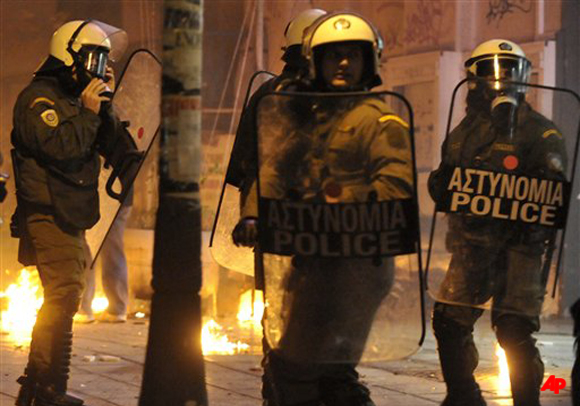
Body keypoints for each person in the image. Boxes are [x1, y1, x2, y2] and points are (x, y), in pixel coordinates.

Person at [235, 12, 414, 406]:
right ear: (316, 63)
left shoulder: (381, 121)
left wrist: (331, 205)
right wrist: (253, 215)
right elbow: (274, 172)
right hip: (312, 260)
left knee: (317, 366)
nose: (344, 64)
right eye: (334, 57)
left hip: (358, 264)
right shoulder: (309, 121)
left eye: (353, 56)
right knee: (300, 366)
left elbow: (394, 188)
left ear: (371, 63)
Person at [428, 39, 568, 406]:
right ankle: (463, 396)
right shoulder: (465, 132)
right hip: (472, 246)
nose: (501, 79)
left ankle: (526, 401)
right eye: (493, 70)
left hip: (520, 249)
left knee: (514, 330)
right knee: (449, 321)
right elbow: (446, 181)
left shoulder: (541, 132)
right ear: (474, 78)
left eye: (509, 69)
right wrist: (442, 184)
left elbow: (552, 196)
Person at [10, 19, 136, 406]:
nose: (99, 68)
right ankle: (49, 387)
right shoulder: (38, 99)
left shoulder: (78, 101)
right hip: (47, 212)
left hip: (72, 212)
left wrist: (105, 107)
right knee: (62, 297)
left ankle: (39, 384)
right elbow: (60, 147)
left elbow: (115, 146)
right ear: (70, 57)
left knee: (64, 297)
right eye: (94, 60)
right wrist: (86, 112)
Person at [77, 191, 132, 323]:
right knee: (113, 246)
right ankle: (117, 309)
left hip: (95, 193)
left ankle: (83, 308)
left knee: (88, 248)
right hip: (122, 194)